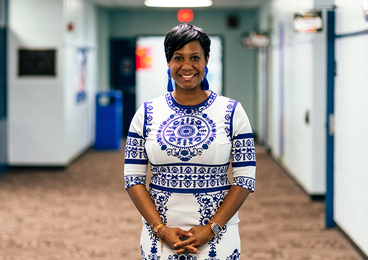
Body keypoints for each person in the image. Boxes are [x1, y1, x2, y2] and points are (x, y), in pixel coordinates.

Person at [124, 23, 256, 259]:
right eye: (178, 58)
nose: (187, 66)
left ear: (206, 60)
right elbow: (133, 178)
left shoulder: (232, 111)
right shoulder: (146, 113)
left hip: (218, 234)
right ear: (168, 62)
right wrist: (161, 230)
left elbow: (245, 178)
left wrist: (211, 229)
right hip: (160, 235)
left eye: (195, 57)